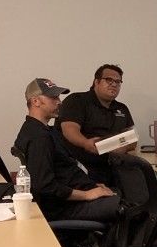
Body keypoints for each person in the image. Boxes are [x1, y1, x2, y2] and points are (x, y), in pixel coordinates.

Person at [13, 79, 120, 225]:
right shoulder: (39, 137)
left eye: (58, 97)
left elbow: (63, 170)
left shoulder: (40, 130)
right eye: (53, 98)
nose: (59, 102)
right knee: (134, 209)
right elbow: (45, 186)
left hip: (72, 195)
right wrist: (87, 194)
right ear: (36, 101)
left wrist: (92, 185)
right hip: (63, 207)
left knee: (132, 199)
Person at [58, 63, 137, 183]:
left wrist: (122, 147)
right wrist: (85, 143)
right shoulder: (77, 101)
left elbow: (132, 138)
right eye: (109, 80)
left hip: (115, 167)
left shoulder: (122, 108)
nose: (114, 84)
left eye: (118, 81)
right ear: (96, 82)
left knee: (144, 184)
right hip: (81, 169)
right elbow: (69, 130)